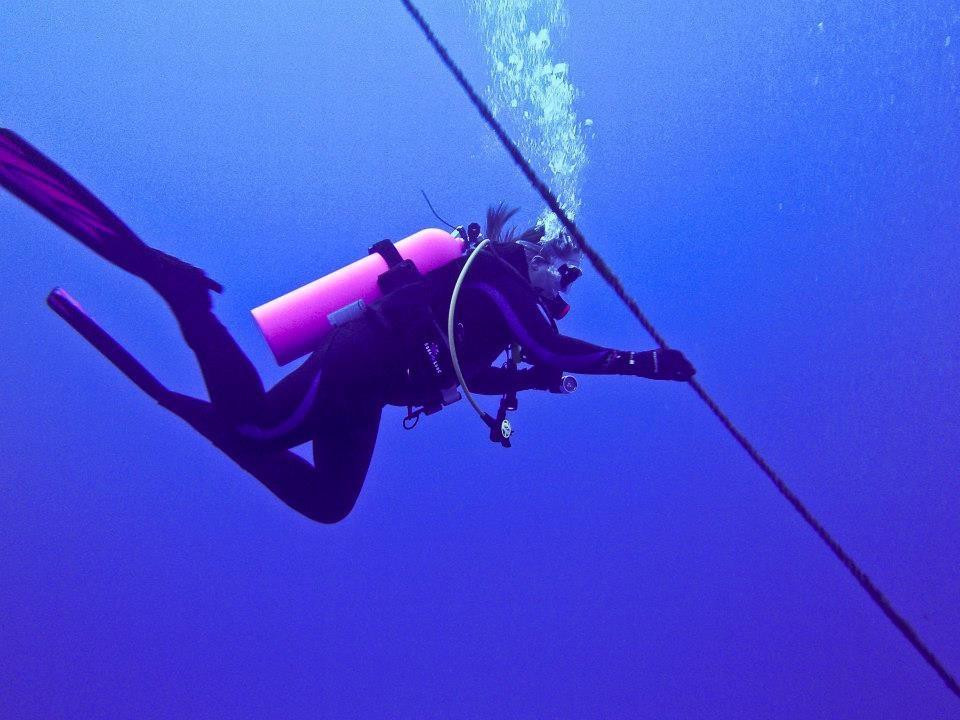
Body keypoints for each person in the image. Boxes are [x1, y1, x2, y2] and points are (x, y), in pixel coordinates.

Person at [1, 129, 695, 524]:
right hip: (356, 364)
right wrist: (643, 363)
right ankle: (185, 297)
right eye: (562, 277)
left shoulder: (497, 313)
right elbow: (547, 342)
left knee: (331, 503)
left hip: (369, 390)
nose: (559, 293)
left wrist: (530, 382)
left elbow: (464, 370)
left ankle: (231, 420)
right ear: (542, 257)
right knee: (255, 428)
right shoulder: (496, 278)